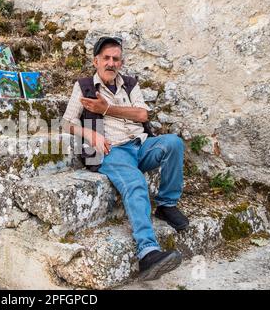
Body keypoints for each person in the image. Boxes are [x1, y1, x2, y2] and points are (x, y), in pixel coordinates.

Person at [62, 36, 189, 281]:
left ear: (121, 62)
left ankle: (167, 205)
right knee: (136, 183)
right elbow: (67, 123)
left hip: (140, 146)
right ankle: (148, 253)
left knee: (173, 142)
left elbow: (142, 114)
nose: (111, 63)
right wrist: (89, 132)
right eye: (106, 58)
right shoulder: (85, 86)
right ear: (96, 61)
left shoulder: (130, 84)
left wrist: (107, 109)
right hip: (112, 151)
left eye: (115, 59)